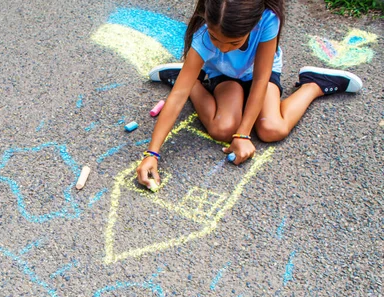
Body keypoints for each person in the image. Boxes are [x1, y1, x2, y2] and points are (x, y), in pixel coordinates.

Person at [136, 0, 362, 188]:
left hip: (259, 73)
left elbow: (261, 80)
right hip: (224, 74)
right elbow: (177, 98)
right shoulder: (203, 33)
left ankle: (314, 84)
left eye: (234, 42)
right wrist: (152, 154)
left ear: (252, 27)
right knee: (222, 129)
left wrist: (244, 134)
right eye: (216, 39)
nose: (223, 48)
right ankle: (188, 78)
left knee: (273, 129)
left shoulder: (267, 19)